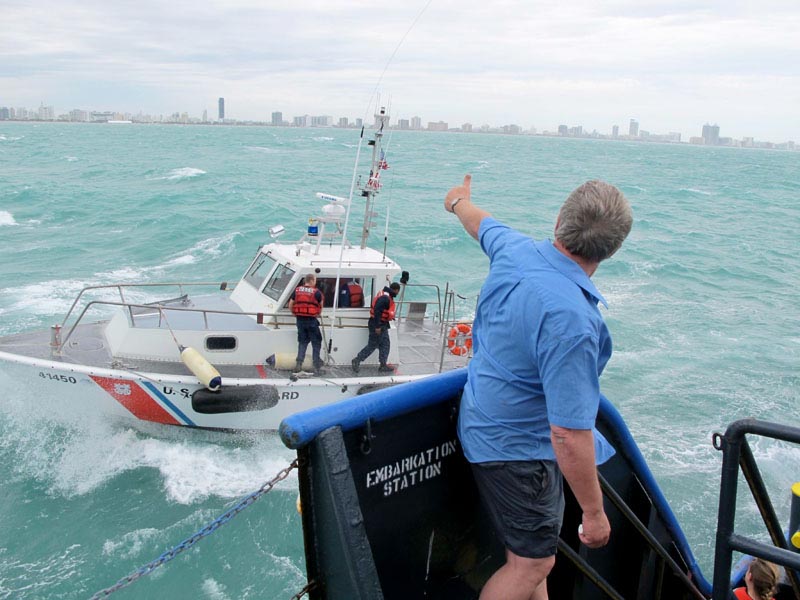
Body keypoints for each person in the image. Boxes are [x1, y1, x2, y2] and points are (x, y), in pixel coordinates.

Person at [446, 174, 632, 600]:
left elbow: (480, 223)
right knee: (531, 564)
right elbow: (567, 432)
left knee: (536, 557)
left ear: (558, 222)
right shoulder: (573, 324)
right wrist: (594, 512)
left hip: (485, 418)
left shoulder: (515, 250)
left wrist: (457, 201)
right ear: (612, 248)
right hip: (516, 449)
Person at [351, 282, 400, 373]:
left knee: (385, 344)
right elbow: (377, 311)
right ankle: (357, 360)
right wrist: (378, 326)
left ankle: (383, 365)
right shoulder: (385, 298)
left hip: (381, 324)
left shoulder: (385, 294)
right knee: (372, 345)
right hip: (378, 324)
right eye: (397, 292)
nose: (397, 294)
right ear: (396, 290)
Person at [288, 273, 325, 375]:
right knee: (316, 343)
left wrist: (295, 314)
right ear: (312, 280)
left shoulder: (297, 290)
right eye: (315, 280)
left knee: (302, 342)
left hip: (300, 320)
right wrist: (317, 314)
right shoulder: (317, 292)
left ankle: (299, 364)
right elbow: (320, 307)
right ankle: (316, 366)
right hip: (312, 320)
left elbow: (290, 304)